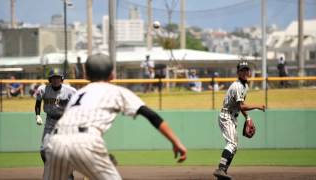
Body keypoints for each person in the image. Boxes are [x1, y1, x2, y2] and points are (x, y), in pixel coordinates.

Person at [43, 54, 187, 180]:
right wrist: (176, 142)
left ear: (86, 76)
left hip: (55, 142)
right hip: (86, 142)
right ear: (112, 75)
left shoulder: (78, 94)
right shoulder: (116, 91)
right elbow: (151, 115)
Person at [213, 60, 265, 180]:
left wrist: (248, 117)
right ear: (238, 72)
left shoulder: (244, 86)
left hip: (231, 116)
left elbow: (240, 105)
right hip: (226, 116)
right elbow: (242, 106)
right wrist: (257, 106)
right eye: (242, 70)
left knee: (234, 146)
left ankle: (223, 172)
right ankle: (220, 169)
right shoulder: (237, 86)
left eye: (247, 69)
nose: (245, 72)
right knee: (232, 143)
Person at [34, 68, 77, 180]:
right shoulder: (43, 89)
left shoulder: (70, 91)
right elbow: (38, 103)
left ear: (62, 79)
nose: (56, 80)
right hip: (50, 120)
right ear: (50, 79)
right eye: (53, 78)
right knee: (44, 150)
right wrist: (37, 115)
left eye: (58, 77)